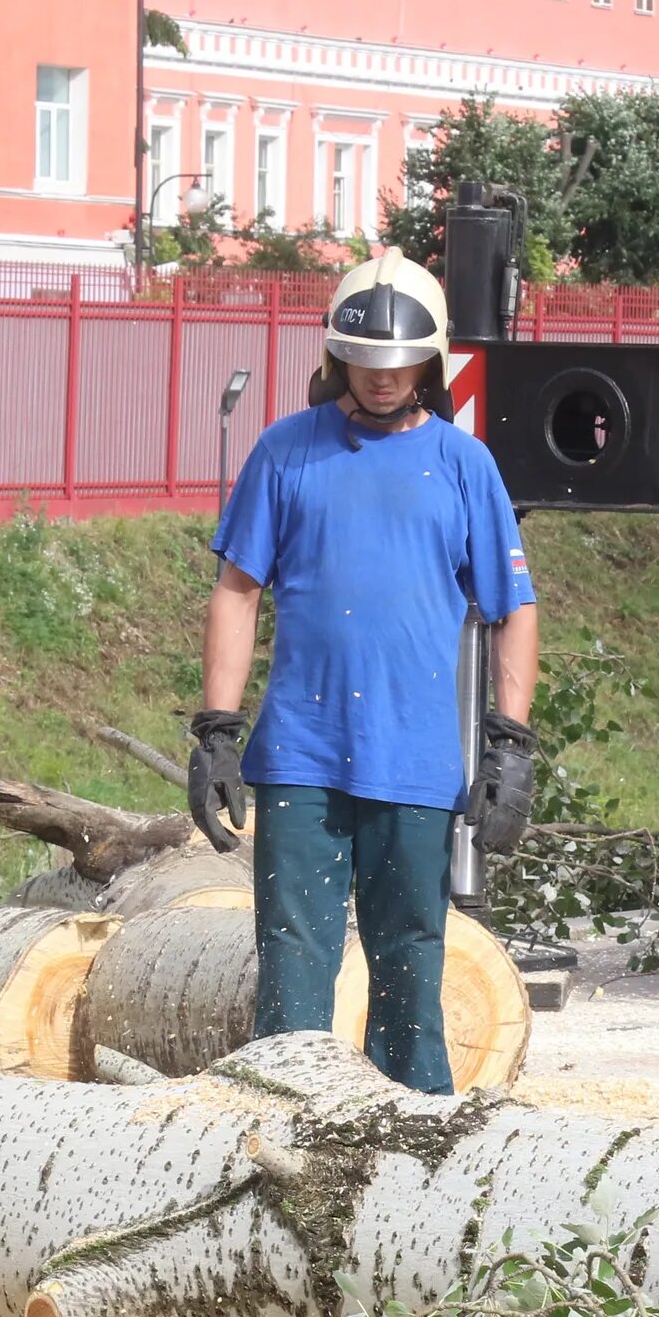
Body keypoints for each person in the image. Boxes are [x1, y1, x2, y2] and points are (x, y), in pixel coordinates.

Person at [190, 248, 541, 1093]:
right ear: (334, 355)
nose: (380, 379)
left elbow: (514, 610)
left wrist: (512, 743)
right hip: (301, 756)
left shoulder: (465, 467)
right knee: (292, 966)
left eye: (397, 363)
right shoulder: (287, 452)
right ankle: (285, 1128)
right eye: (363, 361)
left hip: (416, 763)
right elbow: (237, 591)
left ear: (430, 360)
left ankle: (417, 1146)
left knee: (412, 962)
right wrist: (216, 730)